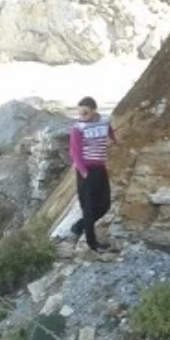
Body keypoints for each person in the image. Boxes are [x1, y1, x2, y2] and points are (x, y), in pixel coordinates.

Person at [69, 96, 117, 252]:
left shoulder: (104, 121)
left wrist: (115, 140)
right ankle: (92, 244)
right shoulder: (77, 128)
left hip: (100, 168)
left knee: (105, 205)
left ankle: (79, 226)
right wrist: (84, 172)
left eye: (85, 112)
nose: (82, 115)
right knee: (88, 208)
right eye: (80, 112)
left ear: (94, 110)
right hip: (85, 171)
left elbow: (109, 131)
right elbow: (75, 152)